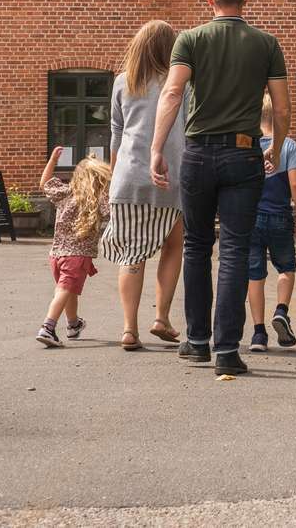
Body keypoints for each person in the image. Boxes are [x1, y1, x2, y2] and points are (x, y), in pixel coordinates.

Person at [151, 0, 290, 377]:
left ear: (209, 0)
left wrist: (156, 148)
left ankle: (196, 343)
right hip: (243, 155)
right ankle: (227, 350)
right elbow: (281, 108)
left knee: (196, 246)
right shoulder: (266, 44)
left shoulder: (190, 40)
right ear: (245, 0)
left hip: (196, 155)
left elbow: (173, 92)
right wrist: (276, 149)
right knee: (234, 250)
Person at [99, 20, 187, 351]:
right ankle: (161, 317)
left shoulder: (123, 82)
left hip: (128, 178)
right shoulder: (180, 84)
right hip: (169, 176)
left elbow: (116, 134)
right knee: (174, 243)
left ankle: (128, 328)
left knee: (132, 254)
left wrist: (112, 177)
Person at [36, 147, 111, 347]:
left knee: (68, 290)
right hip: (77, 257)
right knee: (64, 291)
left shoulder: (65, 192)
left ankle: (73, 324)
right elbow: (115, 211)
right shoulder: (99, 199)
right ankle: (48, 327)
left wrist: (52, 160)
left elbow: (44, 185)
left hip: (56, 255)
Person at [247, 93, 296, 352]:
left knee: (255, 275)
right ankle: (281, 310)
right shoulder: (289, 146)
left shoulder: (250, 145)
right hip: (280, 216)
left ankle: (258, 334)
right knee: (286, 268)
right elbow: (295, 183)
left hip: (252, 218)